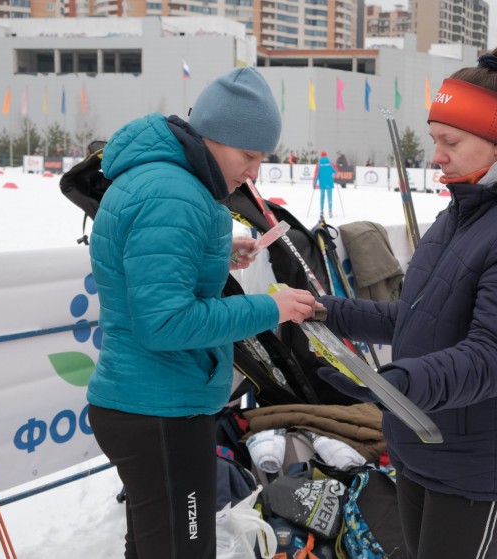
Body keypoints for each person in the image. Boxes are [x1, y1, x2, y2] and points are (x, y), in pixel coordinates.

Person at [314, 45, 497, 558]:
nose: (436, 155)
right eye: (435, 139)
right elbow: (419, 321)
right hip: (423, 441)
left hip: (479, 464)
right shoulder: (462, 213)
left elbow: (491, 357)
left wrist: (401, 385)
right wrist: (329, 311)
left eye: (449, 141)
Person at [86, 68, 317, 559]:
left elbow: (150, 272)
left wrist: (217, 251)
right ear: (212, 138)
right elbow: (166, 322)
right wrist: (268, 307)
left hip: (150, 400)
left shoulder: (165, 182)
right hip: (159, 408)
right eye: (248, 156)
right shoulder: (173, 195)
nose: (254, 171)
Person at [313, 150, 338, 218]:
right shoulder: (330, 163)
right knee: (330, 198)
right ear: (326, 156)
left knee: (322, 197)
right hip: (329, 183)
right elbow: (336, 171)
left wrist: (314, 184)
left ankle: (321, 212)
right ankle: (330, 212)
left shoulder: (319, 164)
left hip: (322, 184)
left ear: (321, 156)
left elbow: (316, 175)